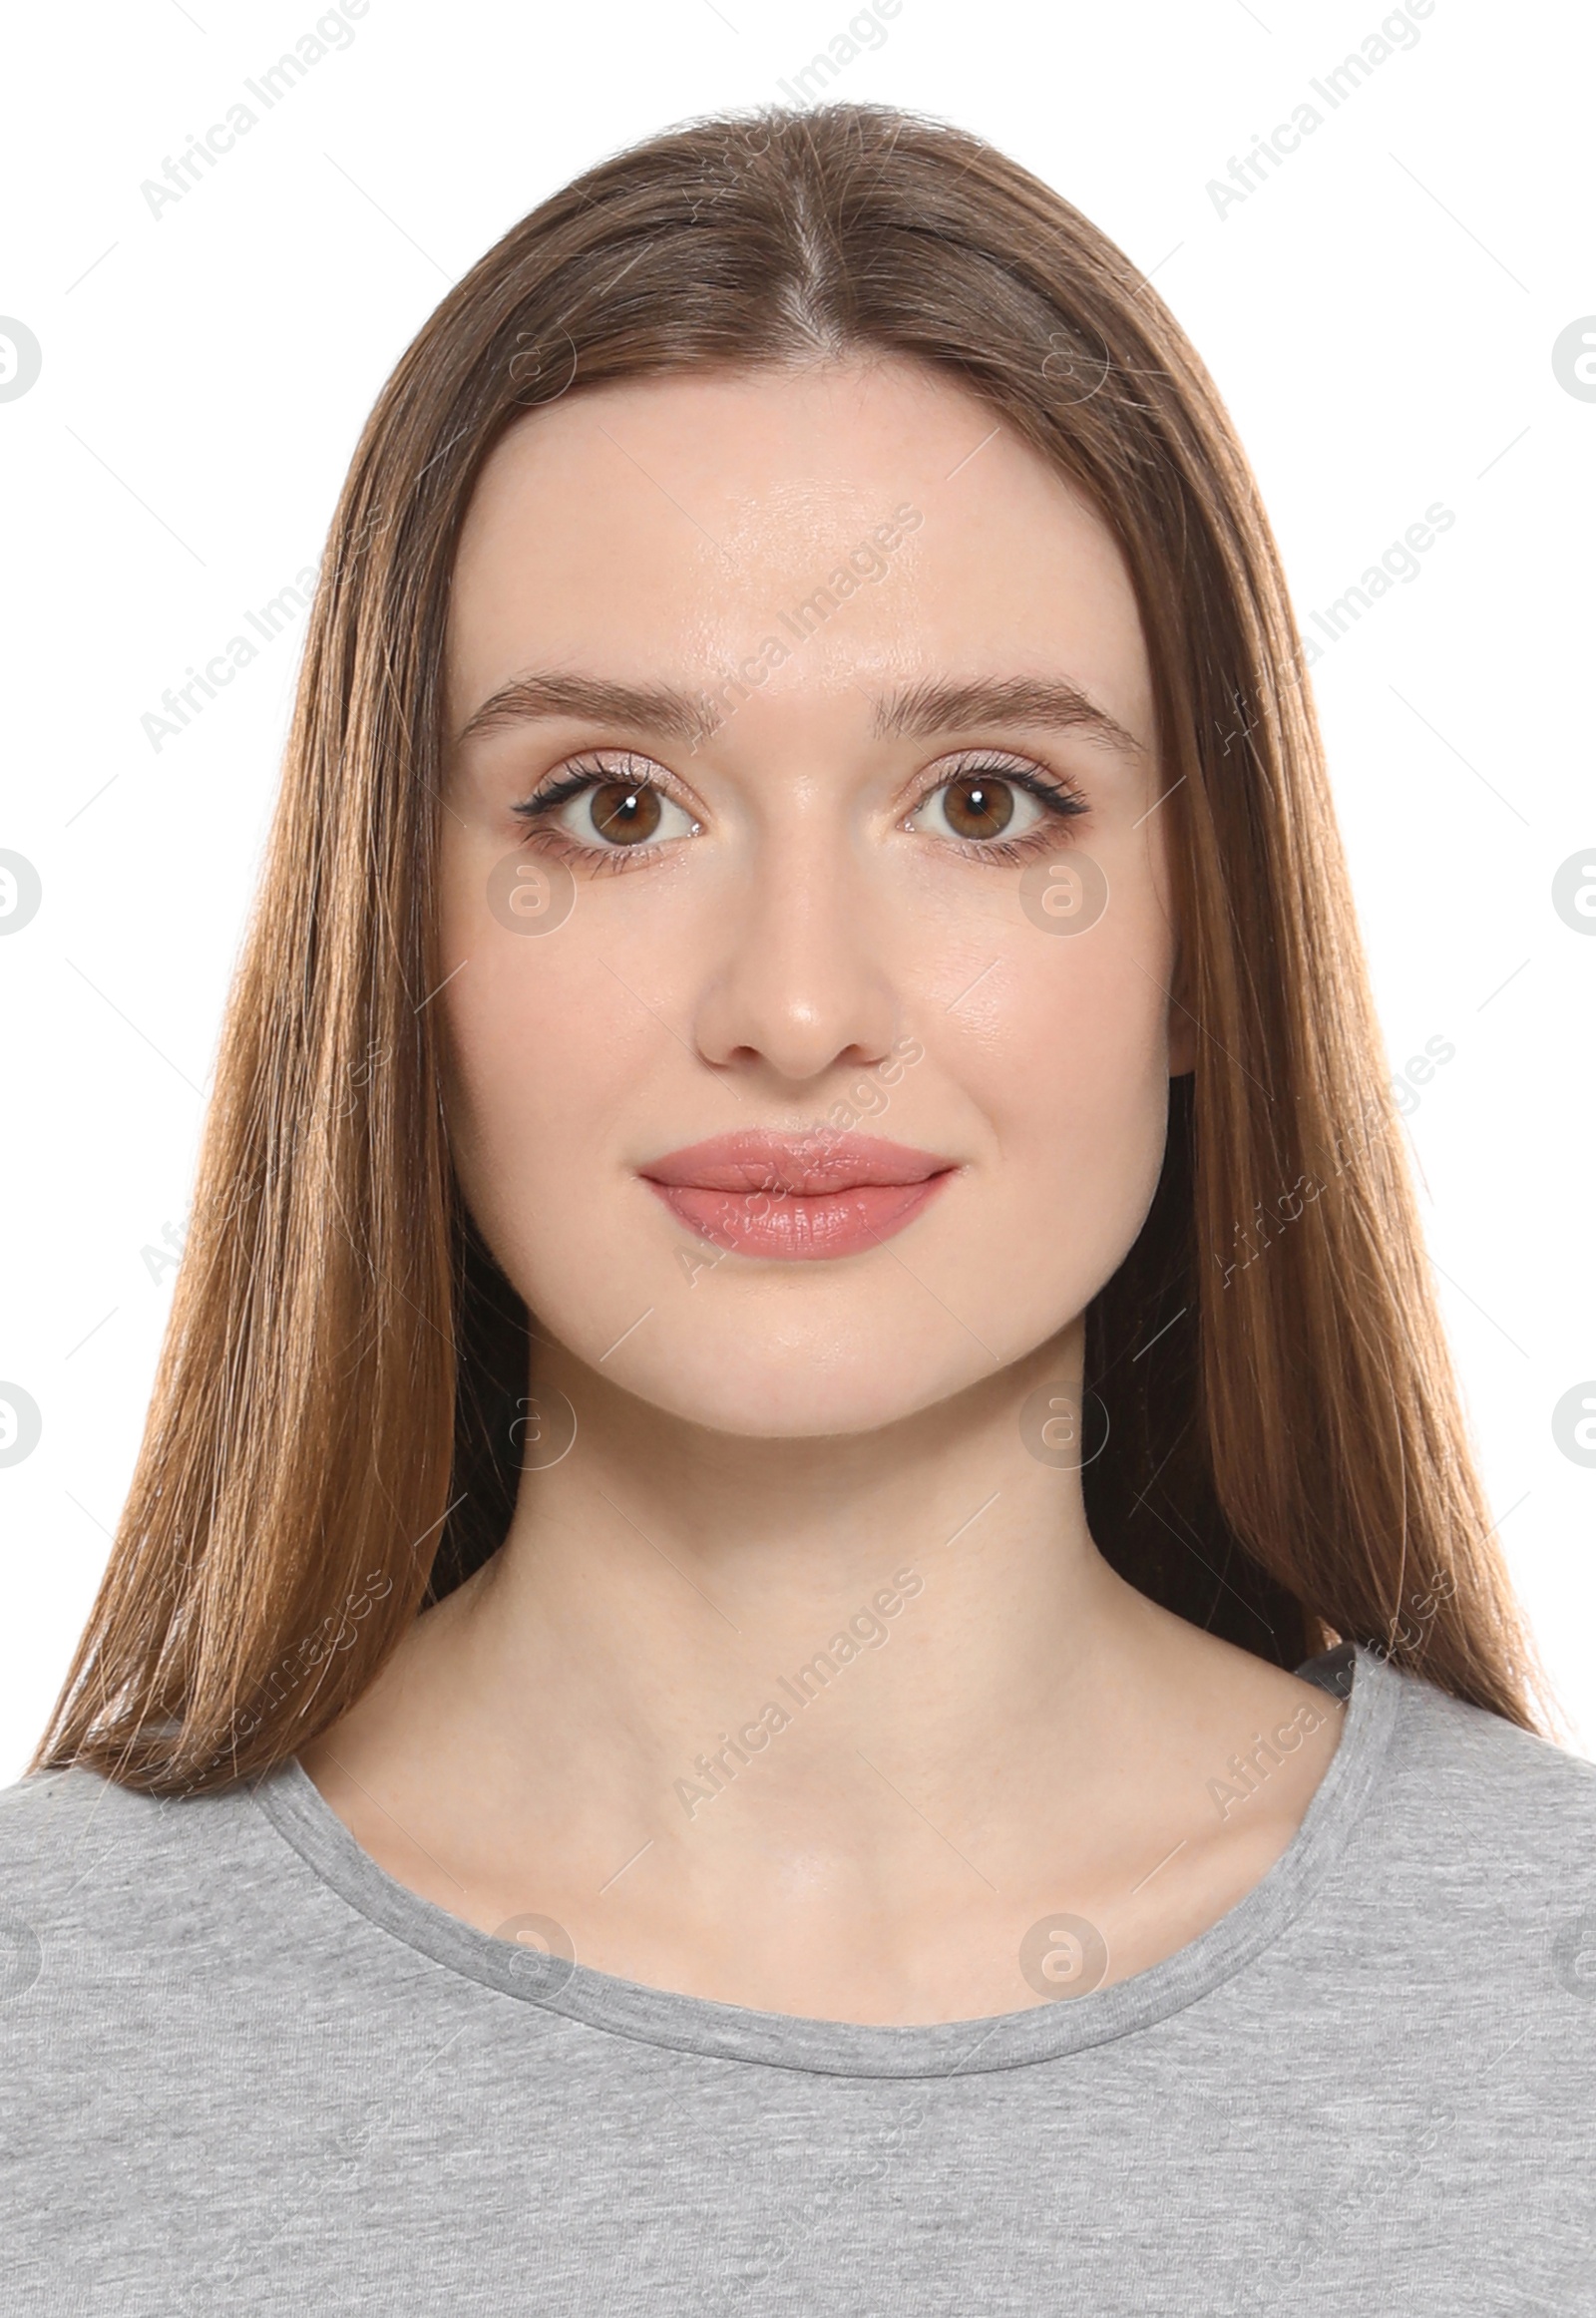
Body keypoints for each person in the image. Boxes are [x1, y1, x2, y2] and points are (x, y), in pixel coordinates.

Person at [4, 101, 1592, 2314]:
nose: (794, 1003)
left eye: (979, 799)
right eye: (614, 803)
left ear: (1202, 943)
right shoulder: (44, 2044)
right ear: (398, 949)